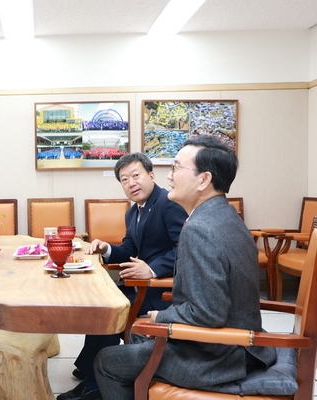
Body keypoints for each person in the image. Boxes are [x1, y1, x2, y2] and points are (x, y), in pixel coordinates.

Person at [94, 135, 276, 400]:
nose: (169, 176)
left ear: (203, 180)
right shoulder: (224, 216)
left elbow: (207, 315)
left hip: (219, 357)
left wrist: (159, 317)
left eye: (177, 168)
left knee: (107, 361)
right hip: (240, 344)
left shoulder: (200, 229)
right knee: (135, 337)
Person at [58, 152, 187, 400]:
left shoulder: (167, 203)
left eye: (136, 175)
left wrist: (151, 269)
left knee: (108, 306)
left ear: (151, 175)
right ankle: (90, 367)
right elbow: (129, 250)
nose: (131, 183)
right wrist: (105, 248)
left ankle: (95, 383)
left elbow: (184, 247)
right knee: (101, 300)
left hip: (160, 291)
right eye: (124, 180)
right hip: (139, 284)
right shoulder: (133, 212)